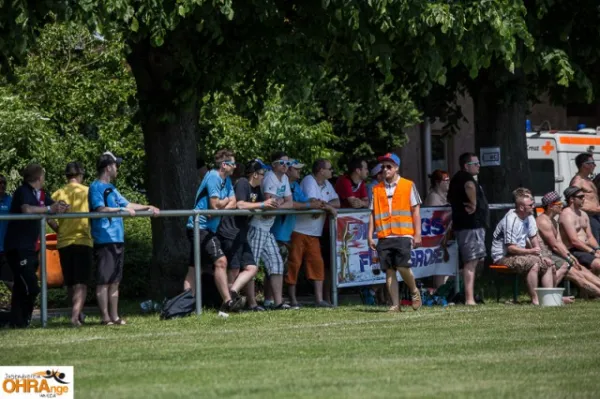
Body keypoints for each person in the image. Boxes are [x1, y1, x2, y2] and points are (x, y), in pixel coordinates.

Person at [90, 151, 160, 325]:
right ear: (108, 168)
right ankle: (105, 317)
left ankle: (115, 316)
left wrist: (148, 207)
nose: (117, 169)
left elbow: (127, 205)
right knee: (104, 281)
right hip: (104, 240)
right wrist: (121, 211)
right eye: (115, 165)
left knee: (115, 281)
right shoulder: (95, 187)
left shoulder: (113, 189)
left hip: (117, 239)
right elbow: (100, 209)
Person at [4, 164, 68, 327]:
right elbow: (27, 210)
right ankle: (22, 320)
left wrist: (61, 208)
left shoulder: (40, 194)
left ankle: (18, 323)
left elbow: (50, 210)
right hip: (17, 246)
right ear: (39, 177)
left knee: (20, 286)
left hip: (31, 247)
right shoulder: (23, 191)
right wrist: (48, 208)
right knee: (30, 286)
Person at [217, 159, 280, 310]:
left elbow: (256, 207)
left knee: (251, 267)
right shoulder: (243, 183)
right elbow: (240, 204)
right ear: (255, 174)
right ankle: (228, 303)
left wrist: (269, 209)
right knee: (233, 269)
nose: (264, 177)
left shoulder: (257, 190)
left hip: (241, 232)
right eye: (262, 174)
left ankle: (231, 295)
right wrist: (263, 204)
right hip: (230, 231)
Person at [185, 149, 241, 313]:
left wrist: (221, 205)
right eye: (233, 163)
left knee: (194, 268)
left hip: (209, 228)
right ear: (224, 165)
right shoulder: (214, 177)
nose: (235, 166)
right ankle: (227, 302)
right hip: (199, 227)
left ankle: (186, 306)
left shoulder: (227, 180)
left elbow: (233, 202)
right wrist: (222, 204)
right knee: (221, 261)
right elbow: (213, 206)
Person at [367, 152, 422, 312]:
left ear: (396, 168)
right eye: (383, 167)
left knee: (403, 266)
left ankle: (414, 291)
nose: (385, 169)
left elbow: (416, 211)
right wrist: (370, 235)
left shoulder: (408, 185)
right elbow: (372, 213)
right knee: (389, 270)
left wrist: (417, 234)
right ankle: (395, 305)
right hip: (384, 235)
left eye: (389, 166)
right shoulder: (376, 189)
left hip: (403, 234)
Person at [286, 158, 339, 308]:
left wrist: (325, 206)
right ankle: (293, 300)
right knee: (294, 265)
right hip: (299, 230)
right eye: (329, 168)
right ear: (321, 170)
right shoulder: (309, 180)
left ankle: (319, 300)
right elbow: (312, 201)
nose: (332, 171)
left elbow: (337, 201)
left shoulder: (327, 184)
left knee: (317, 265)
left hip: (314, 233)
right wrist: (327, 208)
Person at [270, 159, 322, 308]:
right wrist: (309, 206)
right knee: (277, 267)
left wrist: (312, 207)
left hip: (287, 233)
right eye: (296, 169)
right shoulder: (281, 183)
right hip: (277, 232)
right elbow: (294, 204)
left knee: (282, 267)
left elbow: (303, 202)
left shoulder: (295, 186)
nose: (299, 172)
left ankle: (277, 300)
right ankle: (274, 300)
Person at [491, 188, 553, 305]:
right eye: (530, 205)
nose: (533, 206)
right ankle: (535, 300)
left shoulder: (529, 217)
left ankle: (549, 299)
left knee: (548, 263)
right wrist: (531, 251)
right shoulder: (511, 220)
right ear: (521, 208)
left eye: (533, 203)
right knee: (533, 263)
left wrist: (541, 255)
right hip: (502, 257)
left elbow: (534, 239)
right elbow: (511, 248)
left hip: (520, 253)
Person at [247, 152, 293, 311]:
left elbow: (290, 203)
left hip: (267, 229)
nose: (286, 166)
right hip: (257, 226)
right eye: (282, 162)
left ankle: (278, 303)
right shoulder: (269, 178)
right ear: (273, 164)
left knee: (276, 264)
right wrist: (278, 204)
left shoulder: (285, 178)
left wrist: (278, 204)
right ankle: (252, 304)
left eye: (288, 163)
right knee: (251, 267)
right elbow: (269, 205)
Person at [51, 162, 93, 327]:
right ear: (81, 175)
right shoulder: (87, 191)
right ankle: (75, 317)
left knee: (70, 281)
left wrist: (57, 227)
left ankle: (77, 313)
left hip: (64, 241)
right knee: (81, 282)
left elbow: (47, 213)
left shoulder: (59, 193)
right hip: (83, 239)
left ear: (66, 176)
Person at [537, 191, 600, 297]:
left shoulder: (553, 221)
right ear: (550, 206)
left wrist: (570, 256)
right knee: (577, 275)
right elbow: (555, 246)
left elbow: (560, 242)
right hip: (546, 256)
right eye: (558, 203)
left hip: (556, 255)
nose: (562, 205)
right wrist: (569, 258)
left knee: (583, 270)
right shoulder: (543, 221)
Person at [447, 152, 489, 305]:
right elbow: (469, 186)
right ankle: (469, 299)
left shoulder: (457, 179)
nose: (479, 166)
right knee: (471, 261)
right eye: (475, 164)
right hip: (470, 227)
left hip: (470, 226)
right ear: (466, 166)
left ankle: (468, 294)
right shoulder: (465, 178)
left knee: (476, 260)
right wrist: (473, 204)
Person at [559, 186, 600, 276]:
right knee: (598, 264)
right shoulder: (566, 215)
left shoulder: (583, 214)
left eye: (584, 196)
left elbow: (590, 237)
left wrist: (597, 249)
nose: (584, 199)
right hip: (573, 250)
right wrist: (593, 252)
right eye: (580, 197)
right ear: (571, 199)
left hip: (586, 249)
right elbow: (574, 241)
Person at [569, 153, 600, 241]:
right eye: (592, 163)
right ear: (584, 165)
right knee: (596, 243)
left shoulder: (587, 179)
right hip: (588, 217)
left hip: (595, 216)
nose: (595, 165)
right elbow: (572, 201)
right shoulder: (577, 181)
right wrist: (595, 209)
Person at [0, 174, 13, 293]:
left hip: (5, 248)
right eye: (0, 183)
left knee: (10, 280)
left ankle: (22, 306)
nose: (2, 185)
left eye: (4, 183)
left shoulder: (10, 201)